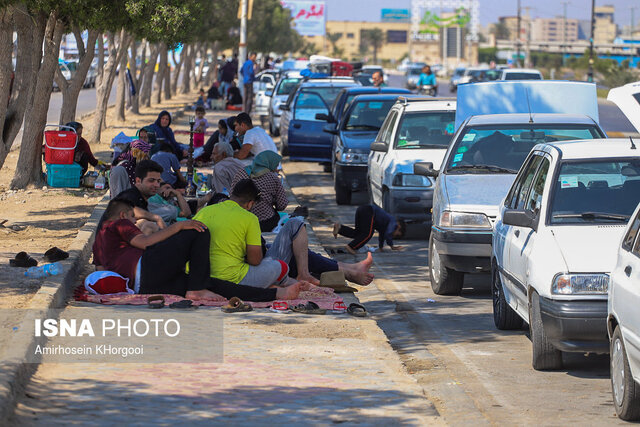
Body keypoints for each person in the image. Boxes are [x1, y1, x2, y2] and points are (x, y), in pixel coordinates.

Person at [93, 199, 294, 302]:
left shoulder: (99, 239)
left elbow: (99, 271)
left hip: (144, 286)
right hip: (147, 268)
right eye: (131, 218)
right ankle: (197, 289)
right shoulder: (117, 223)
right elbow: (145, 242)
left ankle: (276, 296)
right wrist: (179, 226)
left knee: (214, 285)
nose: (134, 222)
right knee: (198, 230)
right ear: (122, 215)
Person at [193, 179, 305, 290]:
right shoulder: (250, 218)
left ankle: (281, 283)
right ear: (250, 204)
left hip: (201, 276)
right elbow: (255, 261)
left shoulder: (204, 211)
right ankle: (293, 279)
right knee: (279, 266)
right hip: (233, 279)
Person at [267, 216, 375, 286]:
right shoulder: (250, 218)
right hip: (263, 270)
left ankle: (349, 268)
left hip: (263, 261)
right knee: (294, 224)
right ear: (250, 204)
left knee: (300, 250)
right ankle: (348, 272)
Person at [231, 150, 287, 232]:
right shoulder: (273, 178)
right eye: (276, 165)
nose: (276, 168)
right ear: (269, 163)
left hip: (239, 220)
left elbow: (231, 195)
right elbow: (282, 205)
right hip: (264, 223)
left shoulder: (241, 172)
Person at [113, 160, 167, 235]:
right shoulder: (130, 195)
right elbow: (128, 210)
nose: (157, 185)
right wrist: (156, 218)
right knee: (147, 225)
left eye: (158, 181)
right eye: (151, 180)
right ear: (138, 181)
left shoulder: (141, 199)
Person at [333, 204, 406, 254]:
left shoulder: (386, 225)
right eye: (396, 234)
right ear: (399, 227)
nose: (394, 235)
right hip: (369, 211)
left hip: (362, 209)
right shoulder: (393, 222)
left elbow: (382, 234)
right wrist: (392, 246)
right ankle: (350, 247)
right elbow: (388, 233)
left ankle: (340, 228)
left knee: (358, 233)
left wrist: (381, 247)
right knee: (368, 234)